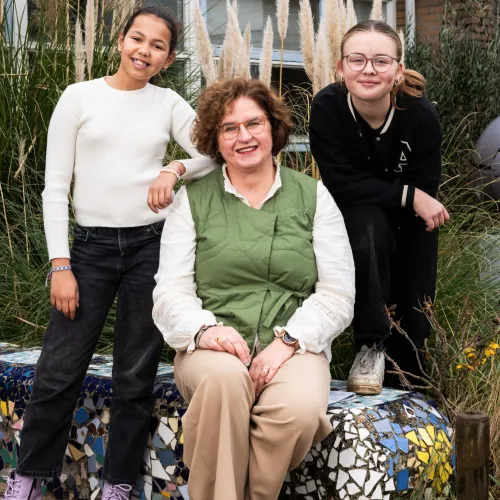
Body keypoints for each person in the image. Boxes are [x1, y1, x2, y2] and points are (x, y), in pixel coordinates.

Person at [4, 7, 216, 500]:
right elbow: (55, 187)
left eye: (157, 45)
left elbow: (215, 150)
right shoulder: (79, 97)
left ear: (168, 58)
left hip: (151, 247)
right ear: (121, 41)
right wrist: (61, 265)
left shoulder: (167, 103)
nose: (144, 50)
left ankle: (118, 482)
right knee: (58, 368)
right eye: (137, 39)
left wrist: (174, 169)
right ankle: (30, 478)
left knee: (134, 373)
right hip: (90, 250)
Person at [152, 78, 355, 500]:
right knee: (225, 382)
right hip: (211, 348)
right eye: (229, 128)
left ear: (273, 129)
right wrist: (205, 331)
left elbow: (337, 293)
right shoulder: (191, 201)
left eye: (254, 123)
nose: (244, 136)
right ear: (215, 139)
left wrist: (289, 341)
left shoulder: (313, 196)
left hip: (295, 345)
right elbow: (170, 293)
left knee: (297, 411)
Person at [310, 20, 449, 395]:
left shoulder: (420, 116)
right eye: (357, 60)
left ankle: (413, 385)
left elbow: (426, 198)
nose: (368, 70)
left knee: (414, 330)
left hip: (409, 222)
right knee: (368, 226)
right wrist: (407, 194)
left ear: (398, 70)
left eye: (381, 61)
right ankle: (370, 345)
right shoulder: (327, 108)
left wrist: (409, 198)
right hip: (355, 217)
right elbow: (341, 185)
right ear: (340, 67)